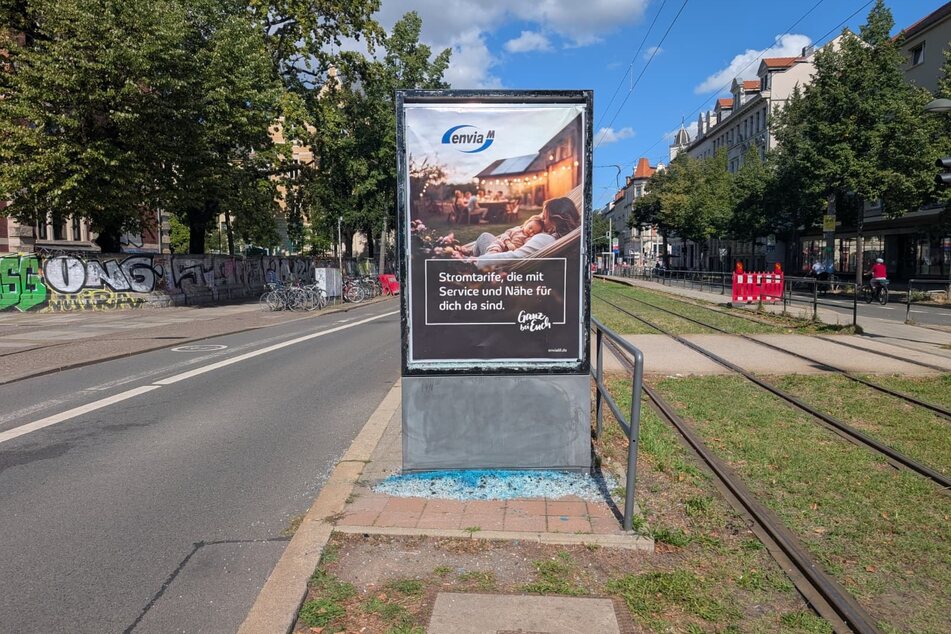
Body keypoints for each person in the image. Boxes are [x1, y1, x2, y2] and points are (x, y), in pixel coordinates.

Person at [471, 197, 580, 267]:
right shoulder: (563, 238)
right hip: (503, 255)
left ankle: (470, 257)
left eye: (545, 217)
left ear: (555, 220)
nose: (542, 220)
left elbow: (515, 256)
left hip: (500, 266)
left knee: (485, 236)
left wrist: (477, 261)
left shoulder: (544, 238)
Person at [481, 215, 545, 254]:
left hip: (510, 252)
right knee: (495, 246)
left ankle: (492, 265)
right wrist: (508, 243)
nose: (530, 231)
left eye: (534, 232)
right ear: (526, 223)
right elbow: (504, 235)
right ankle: (489, 256)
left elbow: (527, 245)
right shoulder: (516, 229)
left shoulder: (528, 238)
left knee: (484, 236)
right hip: (502, 244)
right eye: (530, 227)